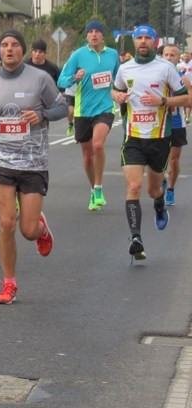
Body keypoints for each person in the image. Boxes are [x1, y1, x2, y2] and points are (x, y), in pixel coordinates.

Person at [0, 30, 67, 305]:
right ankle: (9, 284)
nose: (9, 49)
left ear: (22, 50)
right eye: (4, 45)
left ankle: (41, 228)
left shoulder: (40, 78)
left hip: (33, 161)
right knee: (5, 222)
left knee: (27, 230)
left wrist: (41, 115)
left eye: (15, 45)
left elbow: (62, 108)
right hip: (0, 157)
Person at [111, 27, 187, 261]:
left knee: (153, 189)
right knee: (133, 187)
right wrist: (118, 96)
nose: (143, 42)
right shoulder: (125, 68)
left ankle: (159, 202)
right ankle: (136, 237)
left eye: (147, 38)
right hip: (133, 137)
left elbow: (187, 98)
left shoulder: (166, 68)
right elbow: (115, 90)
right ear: (134, 42)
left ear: (155, 42)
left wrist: (162, 100)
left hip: (159, 138)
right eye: (139, 38)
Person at [57, 20, 121, 211]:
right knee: (87, 157)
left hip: (105, 108)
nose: (94, 35)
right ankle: (93, 190)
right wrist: (74, 78)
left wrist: (121, 93)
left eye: (97, 32)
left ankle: (99, 188)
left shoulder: (112, 55)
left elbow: (119, 78)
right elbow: (61, 79)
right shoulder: (78, 55)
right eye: (90, 32)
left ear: (103, 35)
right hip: (83, 111)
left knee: (98, 144)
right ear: (86, 36)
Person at [162, 44, 191, 206]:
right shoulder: (155, 77)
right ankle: (161, 180)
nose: (168, 58)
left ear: (177, 59)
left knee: (173, 160)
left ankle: (171, 188)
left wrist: (175, 101)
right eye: (166, 54)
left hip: (177, 123)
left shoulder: (183, 79)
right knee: (158, 160)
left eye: (172, 55)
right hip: (157, 124)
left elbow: (190, 102)